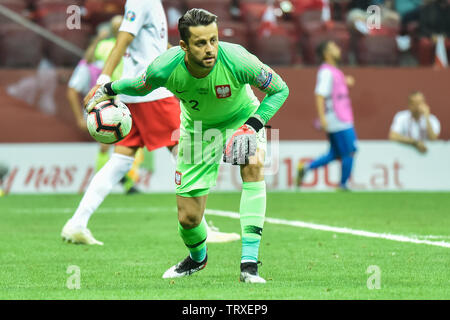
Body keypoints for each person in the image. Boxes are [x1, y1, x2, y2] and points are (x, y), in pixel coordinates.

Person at [85, 8, 289, 283]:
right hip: (197, 131)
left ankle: (249, 265)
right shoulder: (165, 67)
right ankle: (197, 258)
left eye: (213, 40)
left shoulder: (239, 59)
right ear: (183, 46)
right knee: (189, 219)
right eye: (201, 43)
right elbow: (139, 85)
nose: (210, 49)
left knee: (252, 164)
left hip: (242, 120)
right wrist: (108, 89)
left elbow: (280, 89)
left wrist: (252, 125)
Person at [62, 1, 240, 246]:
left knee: (121, 160)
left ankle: (77, 223)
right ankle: (202, 228)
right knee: (187, 153)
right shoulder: (142, 0)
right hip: (152, 92)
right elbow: (123, 38)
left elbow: (155, 48)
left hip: (136, 92)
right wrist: (103, 82)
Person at [66, 16, 140, 194]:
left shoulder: (132, 44)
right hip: (111, 96)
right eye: (114, 25)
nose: (117, 27)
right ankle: (103, 182)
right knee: (107, 143)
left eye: (119, 25)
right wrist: (98, 39)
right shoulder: (106, 46)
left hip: (130, 96)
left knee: (131, 142)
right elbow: (89, 59)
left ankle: (128, 182)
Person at [297, 41, 357, 191]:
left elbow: (334, 89)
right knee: (350, 150)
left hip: (341, 115)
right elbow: (319, 94)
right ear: (326, 53)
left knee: (335, 153)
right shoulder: (325, 72)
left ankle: (305, 168)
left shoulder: (334, 71)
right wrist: (322, 118)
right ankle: (343, 185)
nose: (338, 49)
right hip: (337, 117)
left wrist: (345, 81)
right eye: (333, 48)